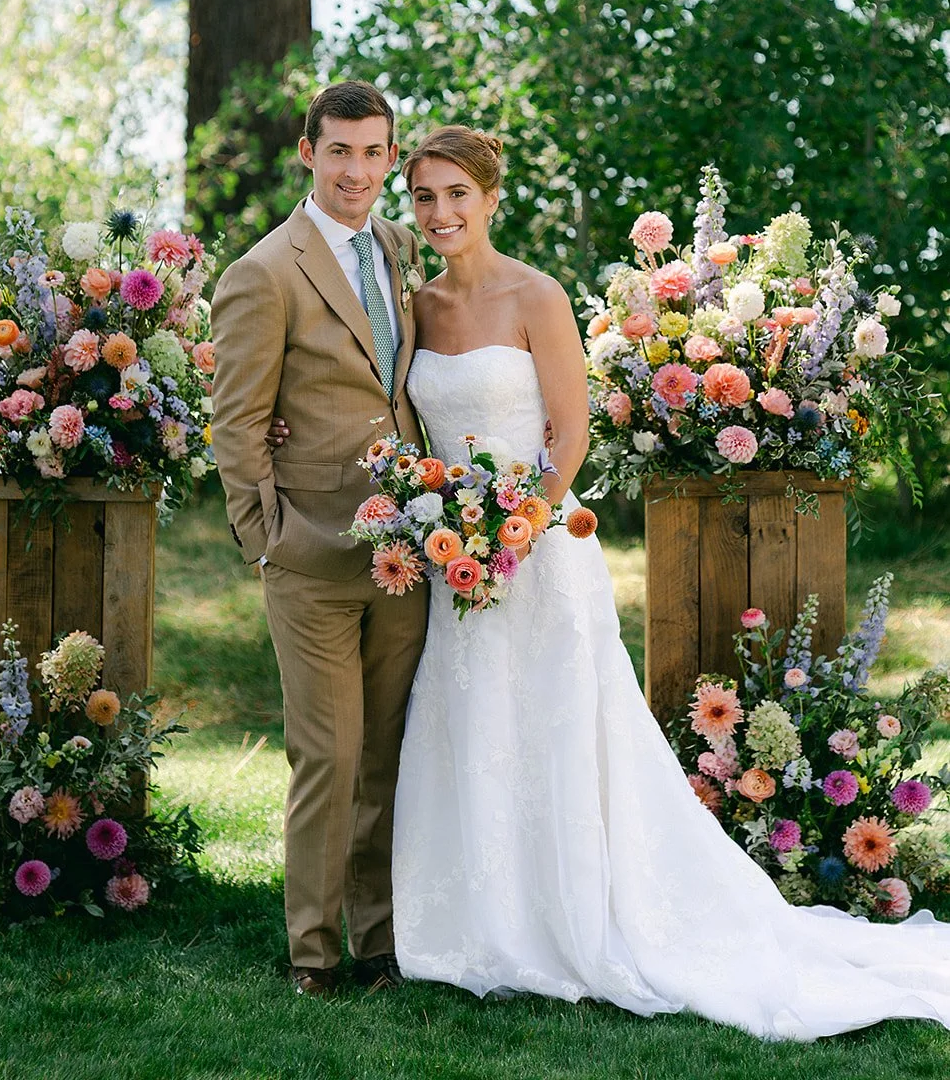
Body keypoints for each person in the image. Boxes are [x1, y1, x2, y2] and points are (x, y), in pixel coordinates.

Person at [387, 125, 950, 1041]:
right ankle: (484, 924)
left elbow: (567, 435)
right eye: (424, 198)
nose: (441, 213)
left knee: (560, 735)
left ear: (492, 198)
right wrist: (447, 526)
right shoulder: (416, 307)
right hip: (458, 560)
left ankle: (587, 915)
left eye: (457, 194)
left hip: (535, 554)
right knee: (474, 726)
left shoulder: (536, 296)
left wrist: (515, 530)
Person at [210, 80, 429, 998]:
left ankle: (378, 943)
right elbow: (236, 423)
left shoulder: (400, 247)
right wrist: (267, 538)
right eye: (338, 150)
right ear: (308, 153)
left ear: (390, 157)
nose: (356, 169)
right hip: (311, 555)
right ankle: (314, 951)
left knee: (385, 751)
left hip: (408, 553)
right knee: (326, 757)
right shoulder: (264, 272)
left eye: (373, 152)